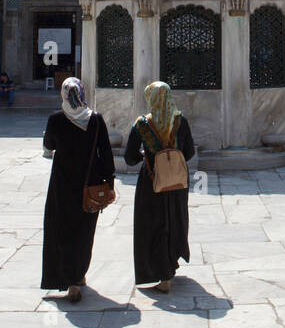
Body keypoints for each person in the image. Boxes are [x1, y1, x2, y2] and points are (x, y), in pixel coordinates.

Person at [41, 77, 114, 302]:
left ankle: (66, 279)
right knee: (83, 232)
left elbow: (49, 147)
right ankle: (78, 276)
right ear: (81, 93)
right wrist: (110, 184)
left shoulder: (56, 119)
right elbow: (106, 152)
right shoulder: (95, 119)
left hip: (62, 185)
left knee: (60, 229)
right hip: (89, 185)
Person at [124, 81, 195, 293]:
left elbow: (129, 158)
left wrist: (145, 156)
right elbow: (189, 153)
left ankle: (161, 273)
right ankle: (171, 264)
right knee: (174, 219)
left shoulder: (142, 126)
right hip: (176, 182)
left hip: (151, 181)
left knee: (152, 223)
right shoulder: (180, 122)